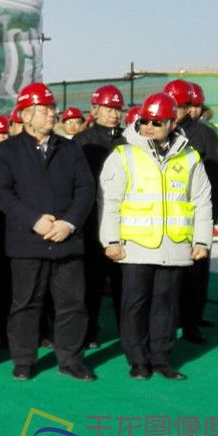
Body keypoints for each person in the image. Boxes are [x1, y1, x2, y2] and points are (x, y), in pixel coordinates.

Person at [0, 83, 96, 382]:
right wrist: (34, 220)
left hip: (66, 241)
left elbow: (85, 189)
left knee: (72, 304)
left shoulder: (70, 149)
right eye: (44, 109)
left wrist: (68, 223)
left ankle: (70, 360)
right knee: (25, 303)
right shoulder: (5, 152)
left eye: (52, 108)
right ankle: (24, 359)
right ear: (25, 115)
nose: (51, 114)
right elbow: (2, 194)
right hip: (26, 242)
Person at [99, 93, 212, 380]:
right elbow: (110, 202)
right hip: (135, 247)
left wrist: (201, 241)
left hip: (174, 245)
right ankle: (138, 361)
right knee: (135, 305)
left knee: (166, 305)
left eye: (156, 122)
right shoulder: (123, 155)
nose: (149, 127)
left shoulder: (190, 157)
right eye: (145, 121)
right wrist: (111, 241)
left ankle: (161, 360)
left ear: (171, 124)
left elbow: (201, 201)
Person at [161, 79, 218, 344]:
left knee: (195, 274)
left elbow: (214, 179)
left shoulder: (203, 134)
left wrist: (208, 220)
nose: (176, 110)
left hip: (193, 217)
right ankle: (169, 322)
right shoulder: (158, 131)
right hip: (164, 217)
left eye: (181, 105)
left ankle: (191, 323)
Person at [73, 84, 127, 348]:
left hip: (124, 223)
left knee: (124, 284)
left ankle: (128, 334)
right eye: (108, 108)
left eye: (117, 109)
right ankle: (88, 332)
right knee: (91, 282)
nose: (113, 114)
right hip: (92, 221)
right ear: (95, 110)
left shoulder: (128, 141)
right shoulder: (81, 141)